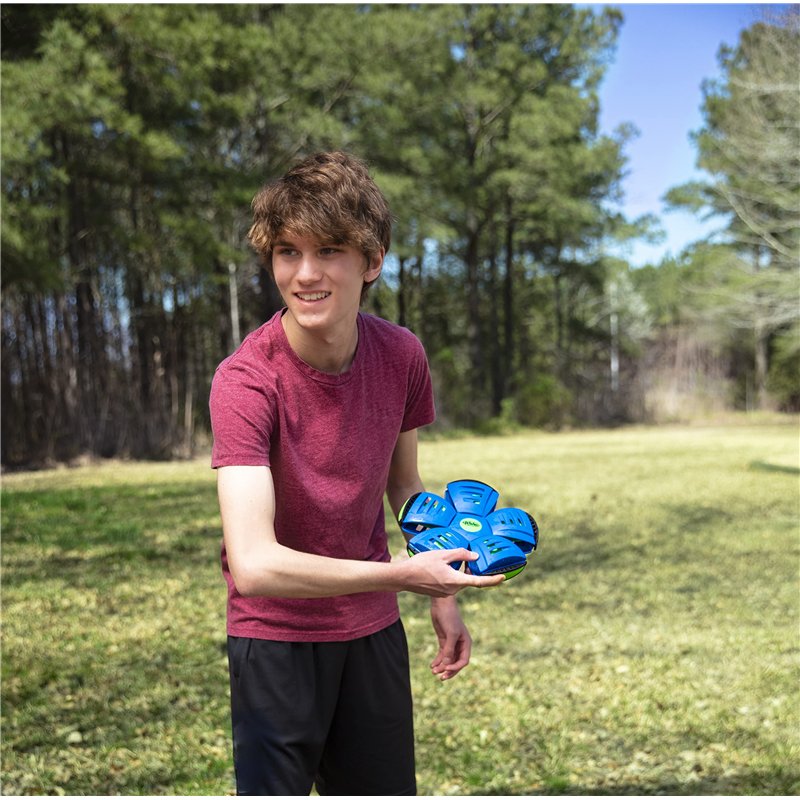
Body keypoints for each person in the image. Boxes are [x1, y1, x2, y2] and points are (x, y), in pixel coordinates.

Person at [209, 151, 503, 796]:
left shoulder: (401, 355)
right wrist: (406, 576)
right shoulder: (244, 381)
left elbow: (404, 486)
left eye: (330, 250)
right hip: (275, 641)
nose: (306, 274)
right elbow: (255, 564)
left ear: (372, 261)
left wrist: (444, 590)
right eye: (288, 252)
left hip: (371, 635)